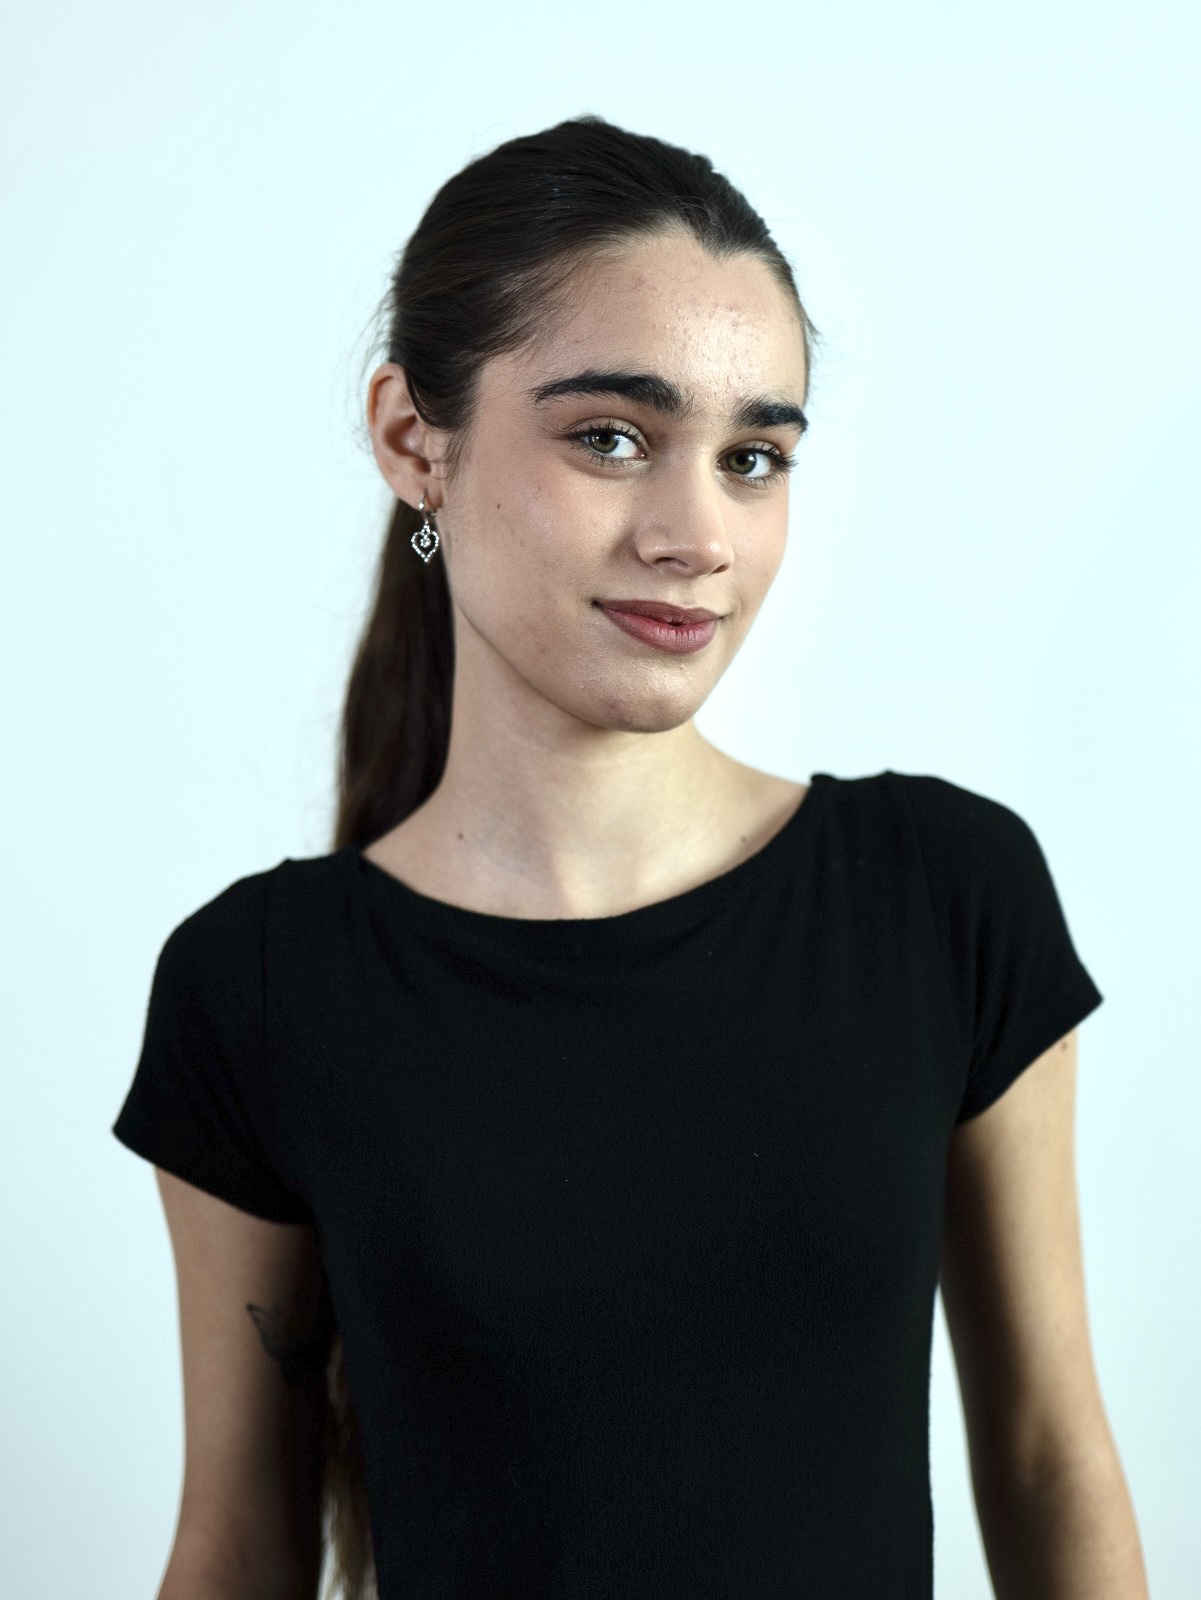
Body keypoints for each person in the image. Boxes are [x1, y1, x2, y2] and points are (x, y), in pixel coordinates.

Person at [112, 115, 1142, 1599]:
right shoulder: (261, 986)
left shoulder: (940, 894)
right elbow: (236, 1548)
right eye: (610, 437)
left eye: (753, 458)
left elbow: (1050, 1460)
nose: (696, 534)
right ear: (412, 440)